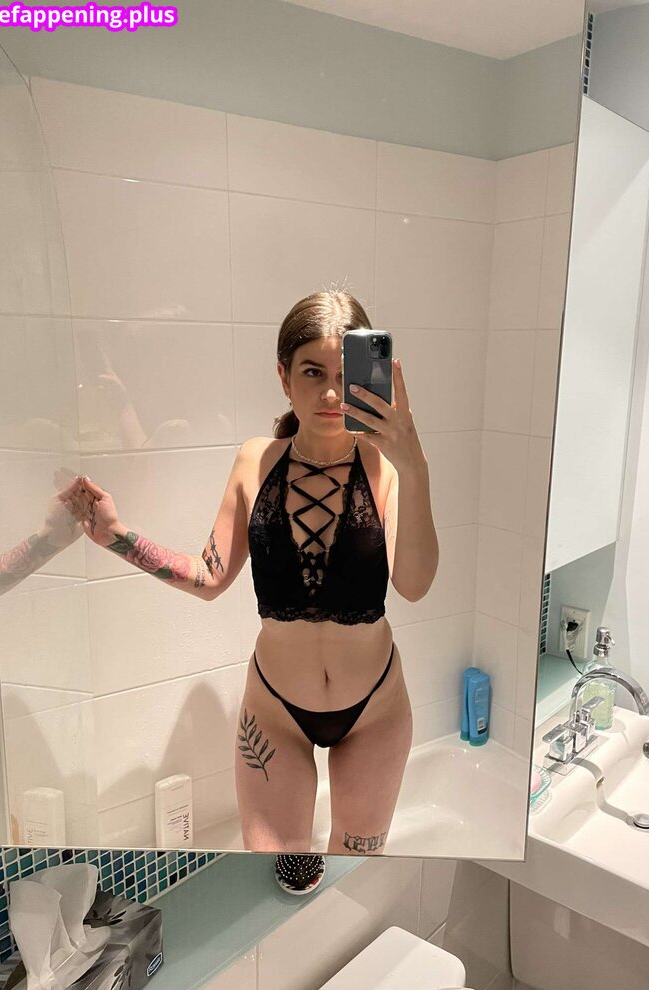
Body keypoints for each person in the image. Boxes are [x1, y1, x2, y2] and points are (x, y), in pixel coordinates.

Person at [78, 290, 439, 854]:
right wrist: (116, 536)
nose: (329, 393)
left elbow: (414, 586)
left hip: (375, 713)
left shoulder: (387, 469)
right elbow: (209, 577)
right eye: (312, 371)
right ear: (283, 376)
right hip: (275, 716)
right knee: (277, 878)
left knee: (354, 874)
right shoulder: (255, 461)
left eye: (344, 375)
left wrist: (414, 463)